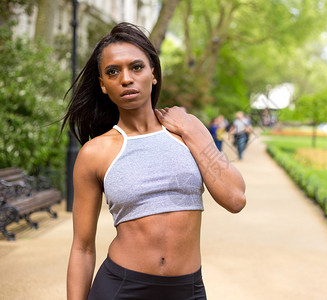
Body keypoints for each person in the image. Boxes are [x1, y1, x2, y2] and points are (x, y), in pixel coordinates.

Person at [62, 22, 246, 300]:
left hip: (188, 290)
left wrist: (191, 131)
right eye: (113, 71)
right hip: (121, 288)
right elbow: (82, 248)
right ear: (103, 85)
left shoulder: (186, 130)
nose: (126, 78)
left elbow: (235, 198)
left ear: (154, 74)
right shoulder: (95, 153)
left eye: (136, 67)